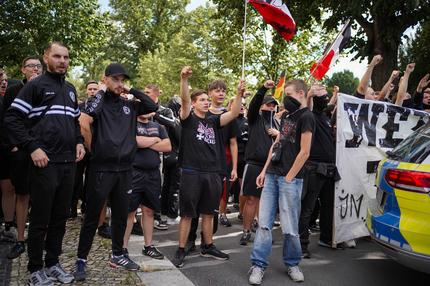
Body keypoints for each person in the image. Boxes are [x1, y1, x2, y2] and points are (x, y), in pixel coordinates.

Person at [4, 42, 85, 285]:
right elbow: (12, 118)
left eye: (66, 57)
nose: (62, 61)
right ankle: (34, 269)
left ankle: (53, 263)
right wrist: (33, 147)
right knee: (40, 218)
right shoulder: (35, 86)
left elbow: (74, 121)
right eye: (57, 56)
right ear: (46, 57)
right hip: (44, 163)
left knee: (60, 217)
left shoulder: (70, 89)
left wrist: (79, 141)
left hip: (68, 163)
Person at [73, 63, 158, 281]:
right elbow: (89, 111)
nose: (120, 84)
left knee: (121, 215)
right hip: (102, 168)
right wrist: (102, 89)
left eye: (122, 80)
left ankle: (118, 254)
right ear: (106, 79)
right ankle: (81, 259)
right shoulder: (100, 103)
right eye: (116, 80)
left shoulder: (129, 104)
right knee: (92, 216)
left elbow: (152, 105)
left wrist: (130, 90)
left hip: (125, 169)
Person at [172, 66, 245, 268]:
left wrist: (238, 94)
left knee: (208, 212)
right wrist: (184, 79)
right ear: (194, 104)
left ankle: (208, 246)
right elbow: (185, 100)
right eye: (202, 100)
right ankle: (181, 249)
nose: (206, 102)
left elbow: (233, 112)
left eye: (207, 99)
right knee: (187, 213)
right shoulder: (188, 119)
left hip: (213, 172)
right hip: (191, 171)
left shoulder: (214, 121)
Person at [248, 79, 315, 284]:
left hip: (290, 180)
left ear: (302, 94)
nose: (285, 98)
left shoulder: (307, 117)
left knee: (290, 227)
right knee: (264, 225)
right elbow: (276, 144)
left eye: (289, 94)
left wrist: (289, 177)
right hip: (271, 176)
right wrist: (265, 170)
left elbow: (304, 152)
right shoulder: (285, 116)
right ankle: (258, 265)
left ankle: (292, 263)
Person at [3, 56, 42, 259]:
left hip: (45, 151)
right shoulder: (14, 91)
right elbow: (7, 121)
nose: (35, 69)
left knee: (43, 197)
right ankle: (20, 239)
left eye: (38, 66)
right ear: (23, 70)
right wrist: (14, 146)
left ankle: (40, 240)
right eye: (31, 66)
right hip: (22, 152)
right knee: (22, 194)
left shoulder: (49, 88)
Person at [299, 84, 340, 258]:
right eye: (321, 97)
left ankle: (326, 237)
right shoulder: (310, 116)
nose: (325, 99)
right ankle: (301, 246)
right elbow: (306, 108)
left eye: (325, 97)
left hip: (329, 169)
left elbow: (330, 104)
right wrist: (309, 96)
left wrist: (335, 95)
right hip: (313, 169)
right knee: (307, 208)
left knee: (329, 206)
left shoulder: (323, 117)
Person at [122, 111, 171, 259]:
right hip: (133, 173)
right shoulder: (129, 124)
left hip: (153, 174)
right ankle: (122, 249)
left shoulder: (158, 126)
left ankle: (148, 246)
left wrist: (145, 142)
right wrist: (155, 140)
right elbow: (134, 141)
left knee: (149, 211)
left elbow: (167, 146)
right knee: (129, 212)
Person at [240, 80, 279, 246]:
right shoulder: (255, 118)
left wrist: (278, 134)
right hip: (255, 164)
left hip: (273, 167)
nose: (271, 107)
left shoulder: (278, 122)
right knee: (251, 200)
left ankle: (264, 232)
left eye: (273, 105)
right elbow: (255, 102)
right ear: (262, 105)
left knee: (267, 202)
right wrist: (263, 89)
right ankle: (246, 231)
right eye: (268, 105)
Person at [144, 83, 180, 229]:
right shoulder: (139, 108)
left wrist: (155, 114)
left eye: (147, 92)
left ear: (157, 94)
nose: (144, 94)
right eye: (144, 92)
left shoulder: (165, 111)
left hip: (161, 153)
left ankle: (157, 217)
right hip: (141, 152)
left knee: (158, 185)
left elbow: (173, 125)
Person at [0, 68, 17, 245]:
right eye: (0, 79)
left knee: (8, 188)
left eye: (5, 79)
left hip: (6, 153)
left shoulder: (10, 101)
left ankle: (8, 226)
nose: (4, 82)